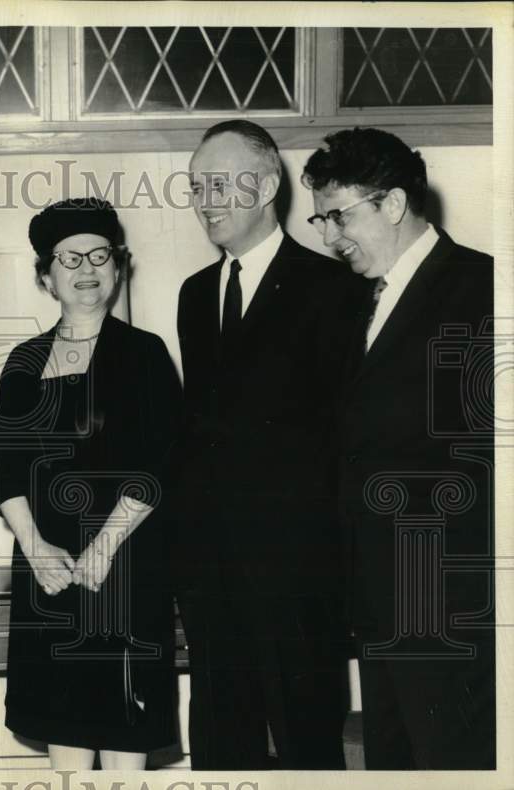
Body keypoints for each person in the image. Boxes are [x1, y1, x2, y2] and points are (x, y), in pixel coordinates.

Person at [303, 127, 495, 770]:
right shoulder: (354, 300)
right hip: (376, 599)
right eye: (321, 218)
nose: (329, 237)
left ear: (390, 204)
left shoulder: (483, 290)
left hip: (451, 609)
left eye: (338, 216)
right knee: (392, 764)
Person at [175, 120, 362, 769]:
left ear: (267, 186)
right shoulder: (195, 295)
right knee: (221, 749)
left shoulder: (334, 288)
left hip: (297, 576)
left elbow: (345, 439)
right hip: (210, 575)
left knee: (310, 746)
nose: (207, 200)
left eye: (222, 183)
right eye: (198, 186)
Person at [0, 198, 181, 770]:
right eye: (68, 259)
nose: (86, 269)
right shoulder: (24, 360)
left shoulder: (144, 354)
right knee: (65, 745)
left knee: (125, 741)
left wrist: (103, 547)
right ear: (46, 276)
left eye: (99, 255)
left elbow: (160, 461)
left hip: (123, 567)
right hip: (48, 573)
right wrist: (34, 546)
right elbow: (7, 464)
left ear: (118, 268)